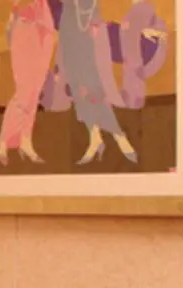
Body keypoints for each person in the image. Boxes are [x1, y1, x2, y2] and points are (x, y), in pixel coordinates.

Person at [0, 0, 59, 165]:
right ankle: (4, 138)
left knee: (35, 90)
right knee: (24, 90)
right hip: (24, 29)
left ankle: (25, 140)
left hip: (45, 28)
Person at [57, 0, 138, 165]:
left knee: (95, 94)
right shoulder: (67, 8)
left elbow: (96, 18)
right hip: (71, 53)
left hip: (89, 50)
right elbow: (64, 37)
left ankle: (119, 136)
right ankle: (95, 137)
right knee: (80, 94)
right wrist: (60, 67)